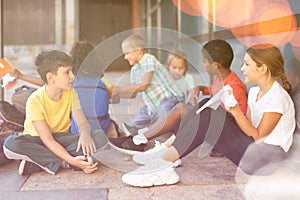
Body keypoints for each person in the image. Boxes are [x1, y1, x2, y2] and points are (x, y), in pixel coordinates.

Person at [121, 43, 295, 187]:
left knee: (209, 117)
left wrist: (233, 111)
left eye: (247, 64)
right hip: (253, 150)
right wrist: (225, 112)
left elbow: (256, 136)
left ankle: (161, 167)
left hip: (265, 161)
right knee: (205, 105)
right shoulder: (255, 92)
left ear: (263, 68)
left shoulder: (277, 97)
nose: (242, 69)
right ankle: (168, 155)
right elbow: (248, 127)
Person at [109, 39, 248, 156]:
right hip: (214, 128)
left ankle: (139, 142)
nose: (203, 65)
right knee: (182, 109)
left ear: (215, 65)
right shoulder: (221, 78)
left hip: (224, 137)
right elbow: (215, 91)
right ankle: (139, 140)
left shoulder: (235, 87)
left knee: (182, 109)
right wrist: (200, 88)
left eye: (204, 62)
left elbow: (236, 121)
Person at [3, 50, 108, 175]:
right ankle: (63, 163)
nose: (73, 76)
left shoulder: (71, 93)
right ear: (50, 78)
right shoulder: (34, 100)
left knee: (99, 137)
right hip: (36, 140)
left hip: (60, 138)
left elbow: (82, 123)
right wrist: (71, 161)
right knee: (10, 144)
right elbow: (47, 139)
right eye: (67, 72)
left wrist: (85, 134)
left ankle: (39, 161)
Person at [9, 41, 121, 138]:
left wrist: (21, 76)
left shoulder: (70, 80)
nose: (71, 75)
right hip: (98, 126)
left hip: (74, 129)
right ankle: (111, 127)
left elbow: (45, 82)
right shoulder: (100, 80)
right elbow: (115, 99)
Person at [110, 35, 184, 143]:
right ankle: (132, 134)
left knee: (161, 118)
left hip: (170, 100)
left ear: (138, 51)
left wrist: (119, 89)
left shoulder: (148, 59)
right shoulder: (135, 69)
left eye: (127, 53)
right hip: (153, 105)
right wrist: (115, 93)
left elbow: (144, 85)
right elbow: (133, 92)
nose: (125, 57)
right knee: (139, 118)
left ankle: (166, 131)